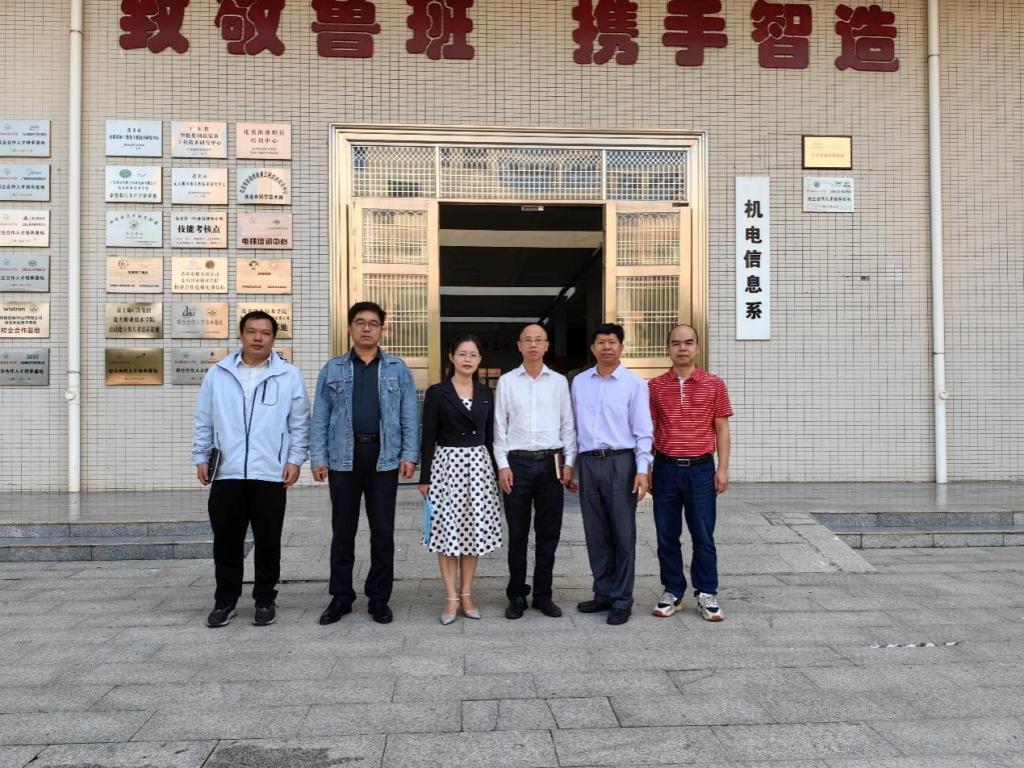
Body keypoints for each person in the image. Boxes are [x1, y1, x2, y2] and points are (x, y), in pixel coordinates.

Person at [193, 310, 310, 628]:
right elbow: (204, 419)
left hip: (270, 473)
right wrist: (201, 456)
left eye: (265, 333)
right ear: (241, 334)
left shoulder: (288, 375)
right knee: (226, 541)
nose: (258, 338)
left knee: (268, 541)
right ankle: (225, 600)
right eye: (252, 331)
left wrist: (295, 460)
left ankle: (265, 599)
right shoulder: (218, 373)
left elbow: (300, 422)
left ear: (273, 338)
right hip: (227, 472)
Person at [310, 301, 419, 625]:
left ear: (382, 329)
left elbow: (409, 415)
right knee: (343, 531)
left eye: (373, 323)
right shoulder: (333, 368)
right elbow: (320, 416)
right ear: (350, 328)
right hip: (343, 458)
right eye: (360, 322)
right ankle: (341, 596)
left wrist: (409, 454)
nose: (367, 328)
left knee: (383, 531)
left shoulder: (397, 368)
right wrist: (318, 457)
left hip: (383, 458)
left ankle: (379, 598)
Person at [648, 324, 732, 622]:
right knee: (666, 535)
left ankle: (707, 592)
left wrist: (722, 468)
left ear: (697, 347)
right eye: (675, 343)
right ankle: (673, 591)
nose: (682, 348)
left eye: (688, 343)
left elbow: (721, 428)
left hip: (700, 470)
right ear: (667, 349)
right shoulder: (655, 386)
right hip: (665, 468)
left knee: (703, 535)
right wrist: (647, 469)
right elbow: (649, 430)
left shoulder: (714, 384)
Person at [570, 323, 653, 626]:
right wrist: (570, 465)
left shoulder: (634, 384)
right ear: (593, 348)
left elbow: (644, 431)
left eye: (612, 342)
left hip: (621, 463)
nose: (607, 347)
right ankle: (603, 592)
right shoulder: (579, 382)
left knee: (622, 533)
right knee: (595, 533)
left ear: (621, 347)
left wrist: (642, 470)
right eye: (601, 342)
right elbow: (573, 427)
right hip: (588, 463)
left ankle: (621, 599)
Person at [493, 323, 576, 620]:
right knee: (517, 534)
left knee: (548, 533)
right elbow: (499, 427)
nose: (533, 345)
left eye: (538, 340)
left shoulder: (558, 382)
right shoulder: (507, 382)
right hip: (517, 464)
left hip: (551, 464)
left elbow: (568, 425)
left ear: (546, 345)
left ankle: (543, 595)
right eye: (527, 340)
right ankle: (517, 594)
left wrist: (569, 462)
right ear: (519, 345)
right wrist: (502, 465)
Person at [418, 335, 503, 625]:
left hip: (478, 466)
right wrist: (425, 477)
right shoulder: (437, 392)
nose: (468, 359)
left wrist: (495, 471)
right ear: (451, 357)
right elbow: (428, 436)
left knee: (472, 532)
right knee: (446, 532)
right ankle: (451, 597)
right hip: (447, 466)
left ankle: (467, 594)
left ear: (480, 360)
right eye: (462, 354)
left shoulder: (486, 393)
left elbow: (490, 438)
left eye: (473, 354)